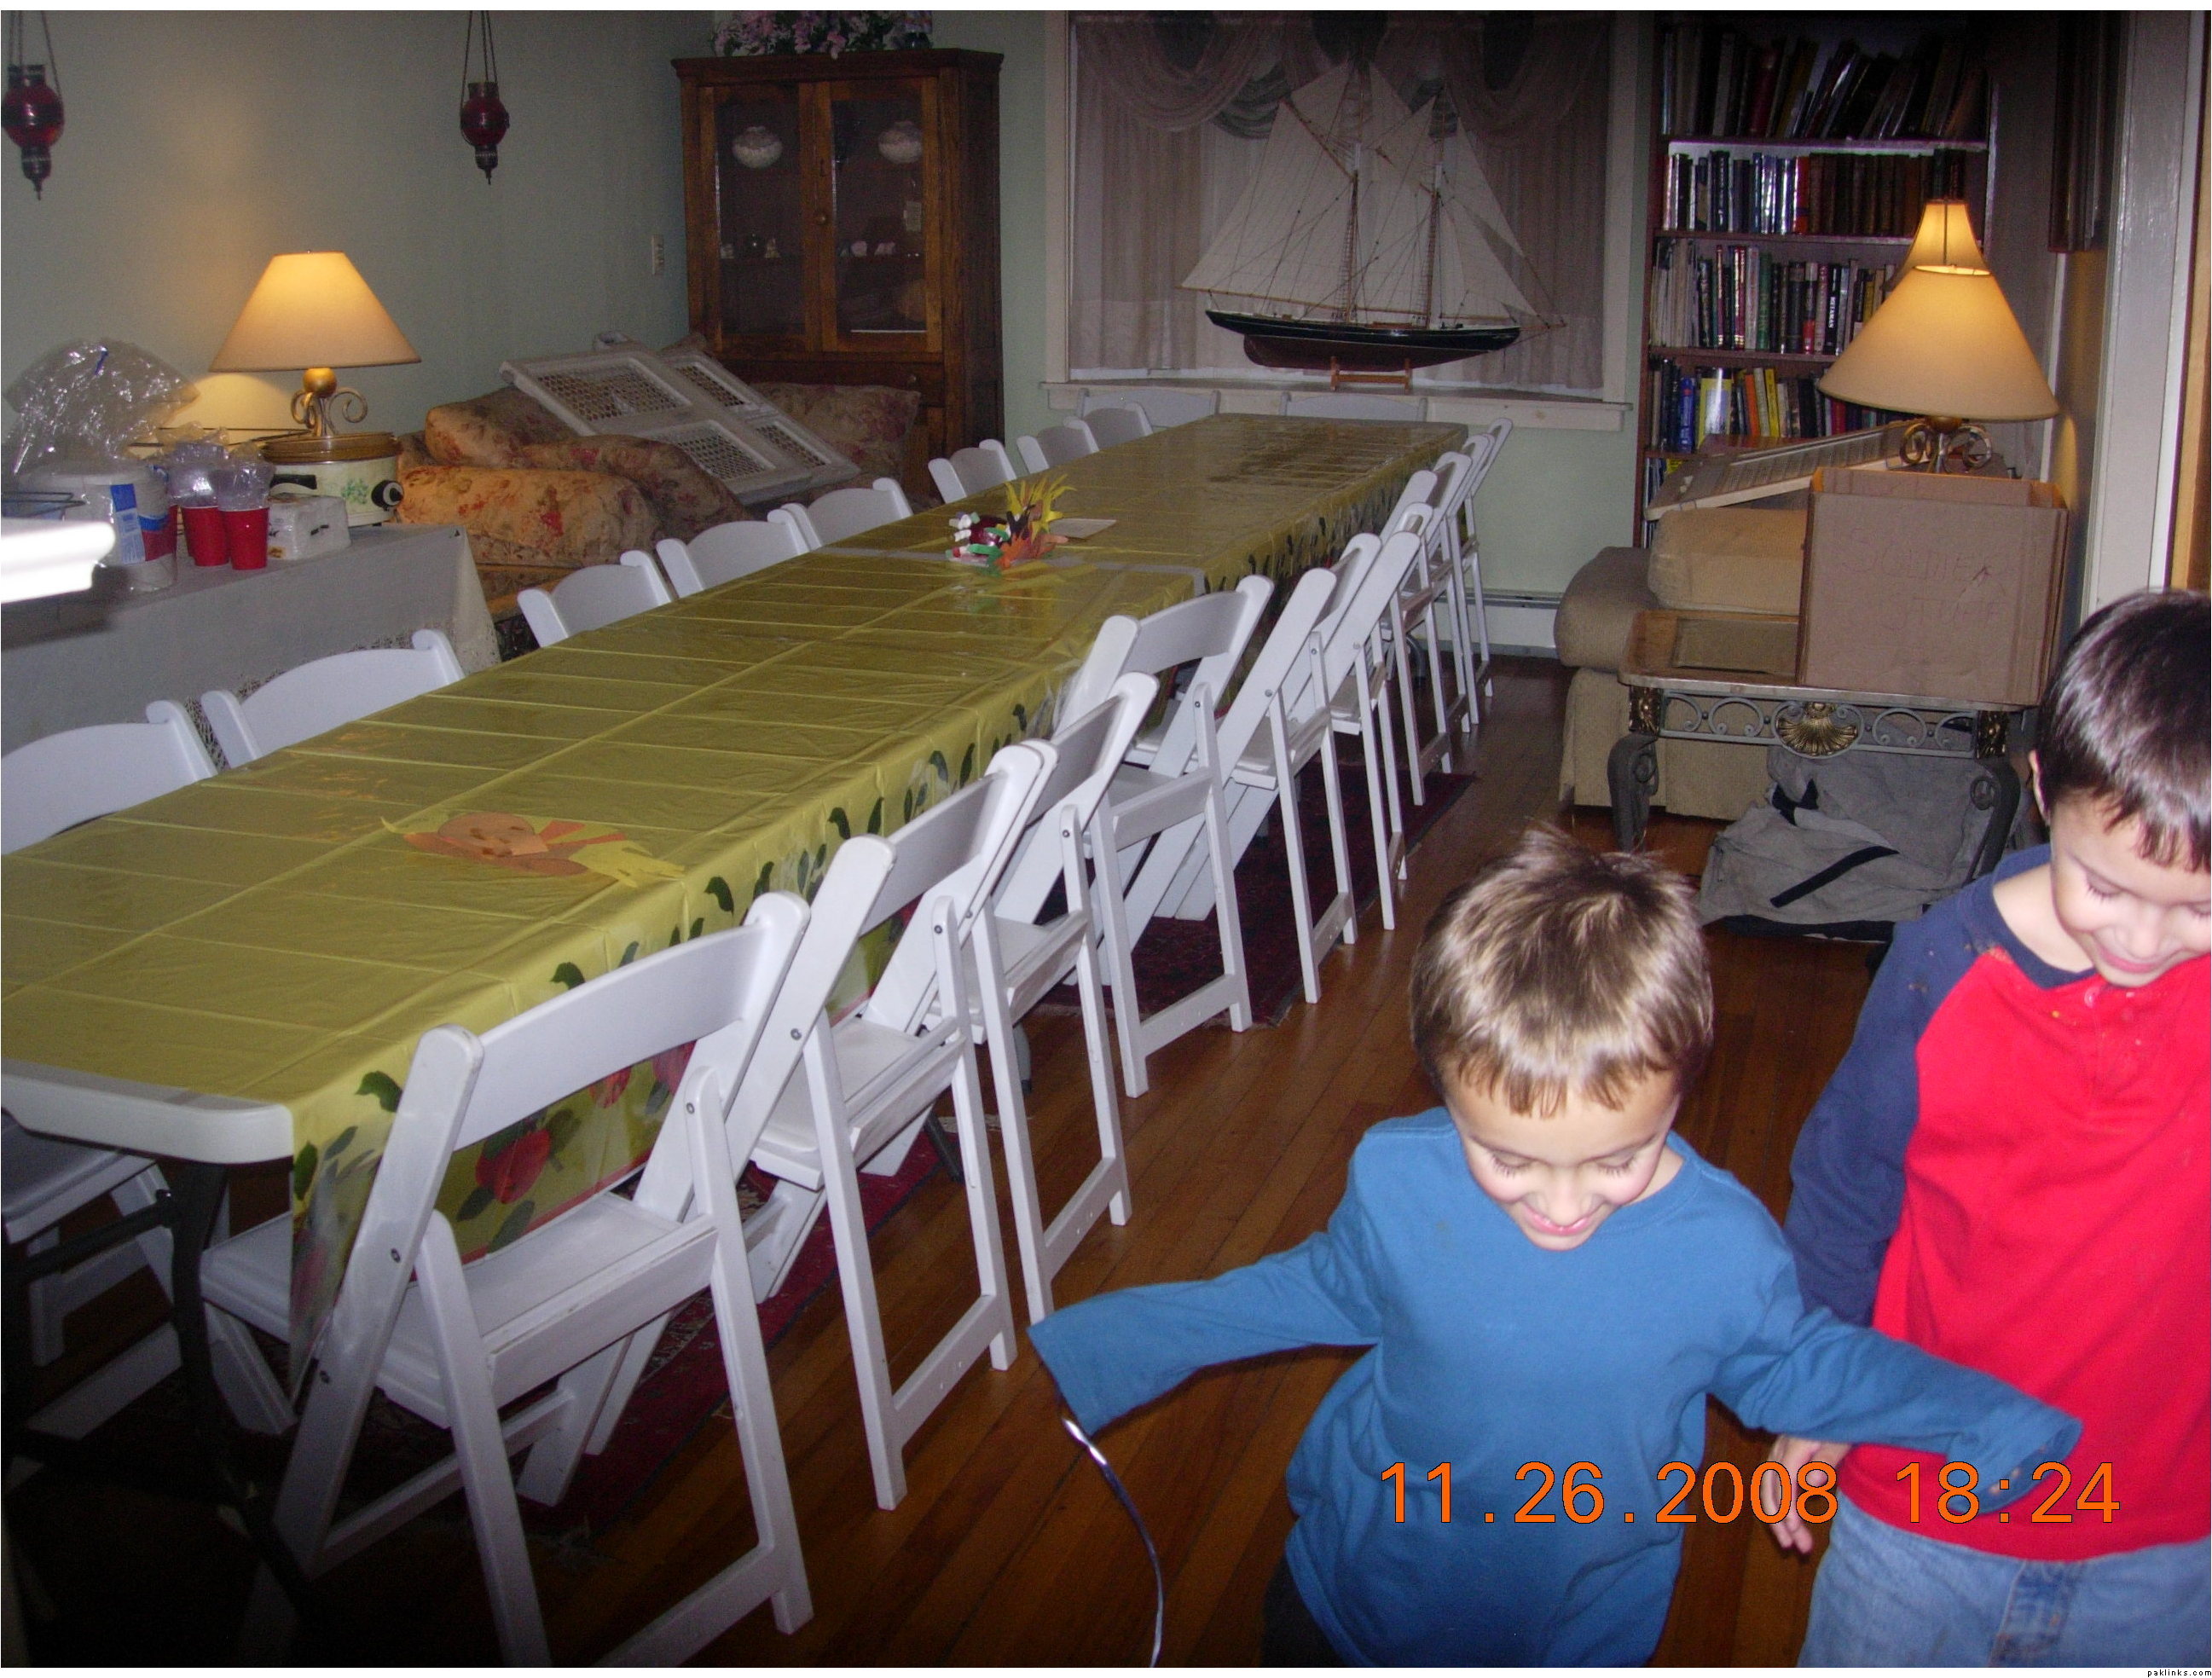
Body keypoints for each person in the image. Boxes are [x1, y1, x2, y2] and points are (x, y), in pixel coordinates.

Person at [1029, 828, 2079, 1665]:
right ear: (1444, 1090)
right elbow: (1322, 1285)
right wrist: (1127, 1340)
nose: (1563, 1206)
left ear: (1679, 1091)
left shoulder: (1720, 1250)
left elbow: (1803, 1364)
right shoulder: (1398, 1178)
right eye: (1510, 1160)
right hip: (1353, 1597)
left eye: (1616, 1159)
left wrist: (1984, 1418)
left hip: (1573, 1629)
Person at [1775, 588, 2209, 1666]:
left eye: (2198, 908)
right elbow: (1844, 1188)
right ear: (2042, 791)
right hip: (1920, 1517)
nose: (2142, 940)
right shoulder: (1939, 972)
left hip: (2165, 1540)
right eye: (2104, 887)